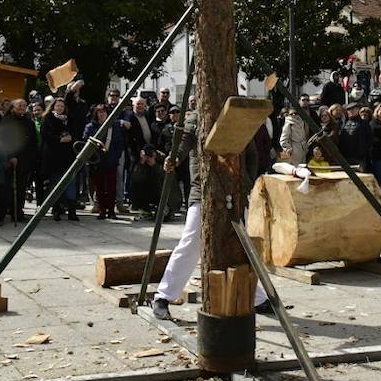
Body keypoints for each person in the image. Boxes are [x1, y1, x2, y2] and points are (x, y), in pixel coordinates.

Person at [152, 109, 271, 321]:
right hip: (203, 192)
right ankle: (163, 296)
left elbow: (251, 153)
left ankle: (256, 297)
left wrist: (245, 184)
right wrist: (174, 158)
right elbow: (183, 143)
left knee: (241, 246)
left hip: (233, 192)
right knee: (190, 242)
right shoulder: (197, 117)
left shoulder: (237, 115)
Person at [0, 99, 38, 222]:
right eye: (20, 105)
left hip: (24, 161)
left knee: (21, 189)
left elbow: (33, 142)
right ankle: (2, 213)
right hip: (10, 160)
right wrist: (10, 156)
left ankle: (18, 212)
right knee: (7, 189)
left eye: (24, 106)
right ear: (13, 107)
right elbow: (3, 141)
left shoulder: (28, 122)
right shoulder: (7, 121)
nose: (22, 108)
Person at [40, 98, 78, 221]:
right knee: (56, 183)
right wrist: (59, 139)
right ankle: (56, 209)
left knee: (71, 183)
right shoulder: (48, 118)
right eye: (58, 106)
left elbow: (76, 132)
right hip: (54, 156)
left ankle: (72, 211)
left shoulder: (70, 119)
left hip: (68, 156)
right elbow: (45, 135)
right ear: (53, 107)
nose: (60, 108)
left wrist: (70, 137)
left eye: (62, 106)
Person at [86, 103, 125, 219]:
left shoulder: (115, 126)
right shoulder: (91, 127)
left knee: (112, 187)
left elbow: (119, 144)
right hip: (97, 162)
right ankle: (102, 210)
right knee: (100, 187)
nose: (102, 114)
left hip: (111, 161)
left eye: (104, 112)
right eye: (99, 112)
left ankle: (111, 211)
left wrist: (115, 157)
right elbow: (87, 141)